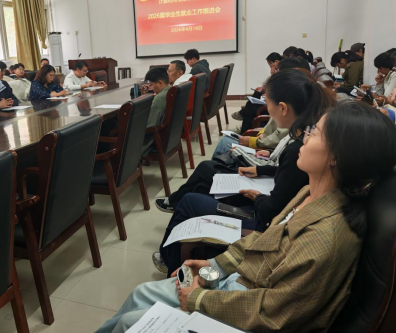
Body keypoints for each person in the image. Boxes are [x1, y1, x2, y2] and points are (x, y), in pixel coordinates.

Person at [96, 101, 396, 333]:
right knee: (140, 294)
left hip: (250, 312)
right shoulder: (309, 194)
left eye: (315, 133)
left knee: (132, 323)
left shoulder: (325, 237)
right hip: (242, 285)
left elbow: (273, 313)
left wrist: (199, 299)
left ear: (337, 156)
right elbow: (264, 241)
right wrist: (214, 265)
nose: (304, 138)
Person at [154, 68, 334, 275]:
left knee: (191, 199)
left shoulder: (298, 149)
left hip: (262, 223)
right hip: (269, 205)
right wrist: (260, 170)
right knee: (206, 179)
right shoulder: (303, 139)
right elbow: (286, 178)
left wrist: (257, 197)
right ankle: (172, 253)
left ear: (283, 108)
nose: (268, 108)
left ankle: (170, 260)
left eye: (268, 102)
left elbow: (271, 211)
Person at [141, 68, 172, 157]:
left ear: (160, 83)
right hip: (170, 137)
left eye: (151, 85)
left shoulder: (158, 99)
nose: (150, 88)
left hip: (152, 140)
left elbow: (149, 125)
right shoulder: (172, 90)